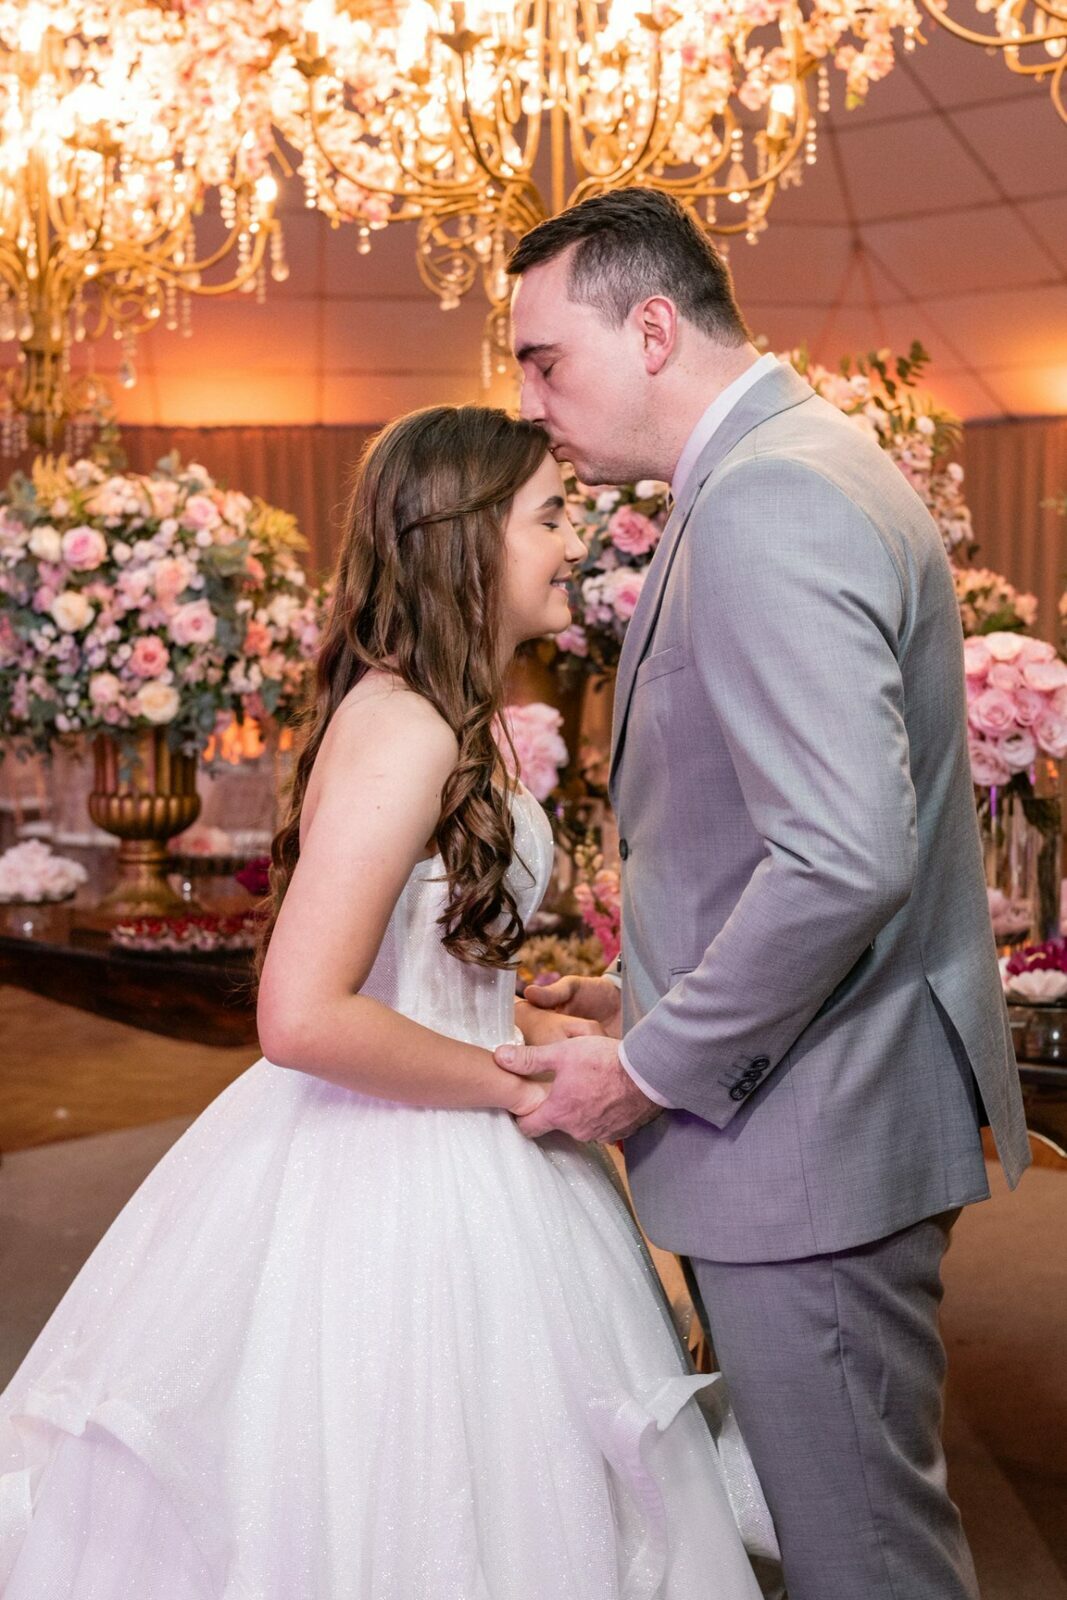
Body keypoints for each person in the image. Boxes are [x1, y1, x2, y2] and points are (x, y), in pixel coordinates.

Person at [0, 405, 765, 1599]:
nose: (573, 542)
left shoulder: (444, 715)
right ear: (465, 534)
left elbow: (418, 967)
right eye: (548, 517)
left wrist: (523, 1017)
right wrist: (511, 1081)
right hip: (395, 1167)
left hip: (458, 1124)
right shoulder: (405, 727)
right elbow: (300, 1014)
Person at [501, 188, 1031, 1600]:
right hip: (823, 1100)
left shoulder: (770, 494)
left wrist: (646, 1066)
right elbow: (781, 835)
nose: (528, 400)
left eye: (543, 359)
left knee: (860, 1557)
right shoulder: (779, 466)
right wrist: (646, 985)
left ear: (651, 329)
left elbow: (841, 857)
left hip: (813, 1131)